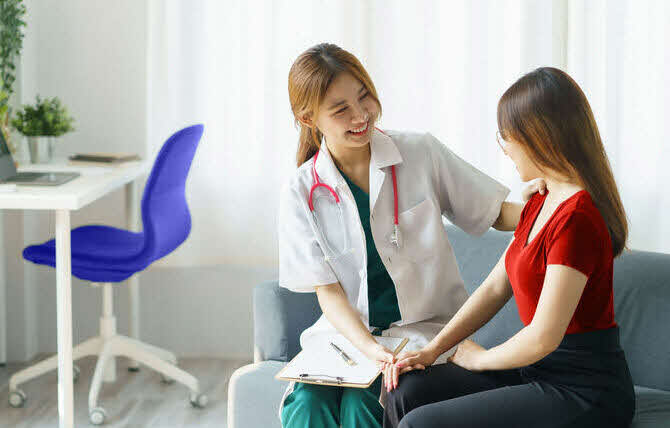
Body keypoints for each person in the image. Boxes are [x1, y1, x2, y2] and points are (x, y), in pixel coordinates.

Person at [277, 43, 542, 428]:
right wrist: (369, 348)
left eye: (363, 96)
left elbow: (493, 211)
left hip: (422, 332)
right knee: (307, 405)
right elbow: (328, 292)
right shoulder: (301, 191)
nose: (360, 115)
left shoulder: (419, 152)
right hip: (345, 338)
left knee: (365, 405)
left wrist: (546, 206)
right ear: (307, 118)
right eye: (341, 109)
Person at [382, 67, 636, 428]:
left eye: (507, 137)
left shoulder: (577, 218)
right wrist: (433, 349)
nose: (504, 149)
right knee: (405, 392)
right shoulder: (540, 200)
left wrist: (480, 359)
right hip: (535, 368)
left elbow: (543, 337)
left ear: (539, 138)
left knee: (422, 424)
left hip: (584, 388)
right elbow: (494, 288)